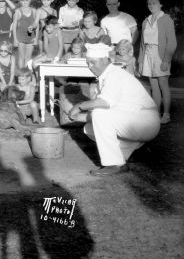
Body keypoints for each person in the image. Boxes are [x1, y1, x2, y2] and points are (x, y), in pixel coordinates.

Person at [68, 43, 160, 176]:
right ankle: (120, 160)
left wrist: (79, 106)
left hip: (146, 123)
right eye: (88, 63)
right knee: (89, 127)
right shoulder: (105, 77)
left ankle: (113, 164)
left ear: (105, 60)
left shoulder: (114, 74)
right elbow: (105, 112)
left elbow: (104, 103)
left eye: (93, 62)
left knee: (99, 114)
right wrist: (76, 117)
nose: (90, 66)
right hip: (134, 121)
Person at [138, 0, 177, 124]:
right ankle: (156, 113)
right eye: (149, 3)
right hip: (148, 53)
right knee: (153, 86)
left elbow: (171, 42)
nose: (151, 5)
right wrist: (141, 60)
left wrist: (166, 60)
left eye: (154, 3)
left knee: (163, 85)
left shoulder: (166, 19)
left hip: (160, 54)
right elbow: (142, 44)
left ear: (161, 4)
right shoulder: (146, 21)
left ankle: (166, 115)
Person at [12, 0, 39, 69]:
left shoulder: (34, 11)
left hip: (31, 37)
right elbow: (14, 26)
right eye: (22, 1)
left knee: (28, 58)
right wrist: (15, 39)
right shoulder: (18, 11)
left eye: (26, 0)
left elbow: (36, 25)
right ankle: (21, 76)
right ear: (20, 1)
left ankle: (27, 76)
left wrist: (36, 38)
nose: (24, 2)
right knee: (21, 57)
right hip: (20, 37)